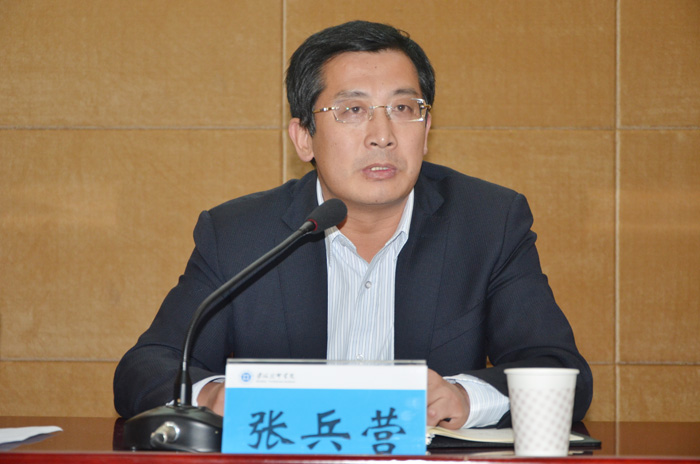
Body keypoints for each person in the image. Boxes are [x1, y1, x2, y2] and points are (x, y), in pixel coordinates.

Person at [114, 20, 592, 430]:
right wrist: (213, 396)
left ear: (426, 131)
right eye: (352, 110)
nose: (382, 136)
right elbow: (146, 368)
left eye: (403, 109)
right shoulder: (240, 234)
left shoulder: (488, 223)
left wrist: (465, 399)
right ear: (304, 137)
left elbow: (559, 371)